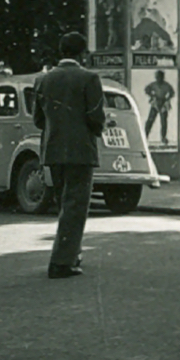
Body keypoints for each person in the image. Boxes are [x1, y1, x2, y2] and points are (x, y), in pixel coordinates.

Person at [33, 32, 106, 279]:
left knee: (64, 203)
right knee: (76, 206)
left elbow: (38, 120)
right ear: (82, 53)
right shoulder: (89, 79)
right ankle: (61, 262)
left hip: (53, 150)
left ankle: (71, 253)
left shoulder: (42, 80)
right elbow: (96, 118)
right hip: (81, 150)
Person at [144, 70, 174, 145]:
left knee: (164, 122)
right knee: (150, 120)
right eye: (158, 77)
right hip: (155, 103)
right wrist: (152, 96)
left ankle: (163, 137)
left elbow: (172, 92)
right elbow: (147, 89)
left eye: (160, 77)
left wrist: (167, 99)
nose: (159, 78)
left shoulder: (166, 85)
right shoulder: (153, 84)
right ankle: (145, 135)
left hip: (163, 103)